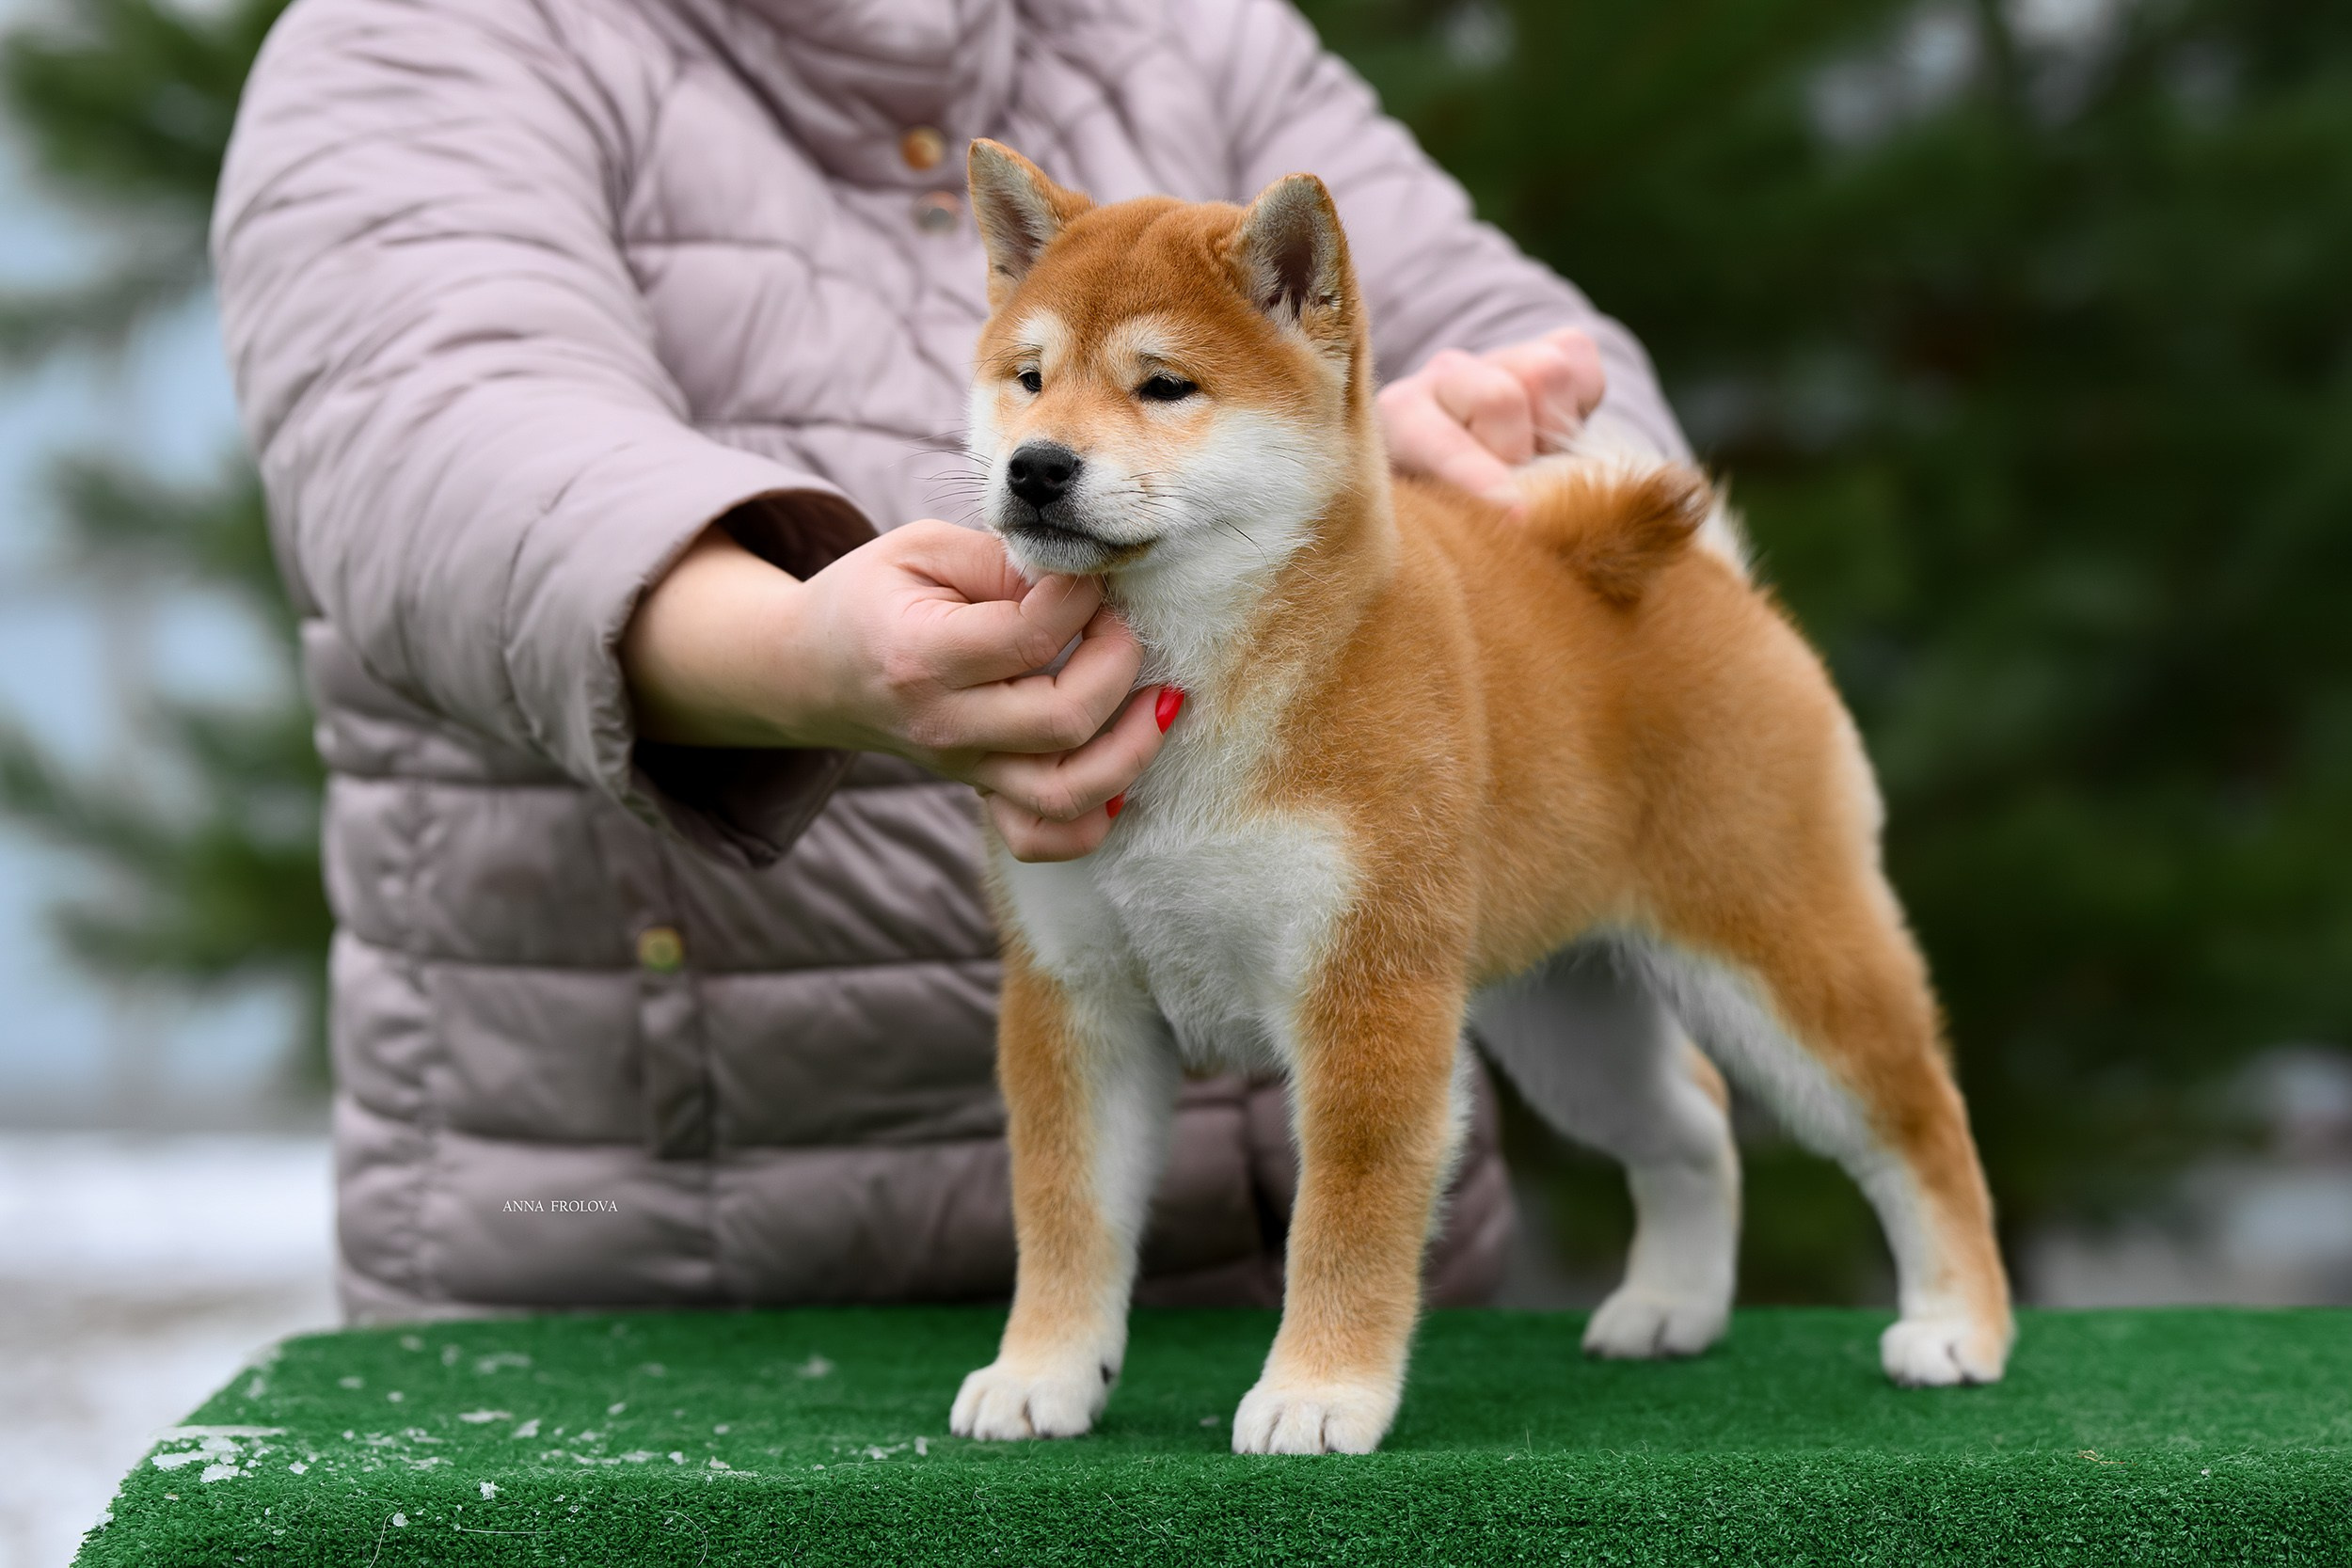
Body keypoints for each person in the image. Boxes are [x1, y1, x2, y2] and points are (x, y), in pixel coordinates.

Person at [213, 0, 1692, 1321]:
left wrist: (1501, 461)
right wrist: (789, 655)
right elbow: (434, 442)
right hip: (646, 1262)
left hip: (1260, 1272)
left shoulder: (1189, 32)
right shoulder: (427, 33)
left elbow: (1544, 369)